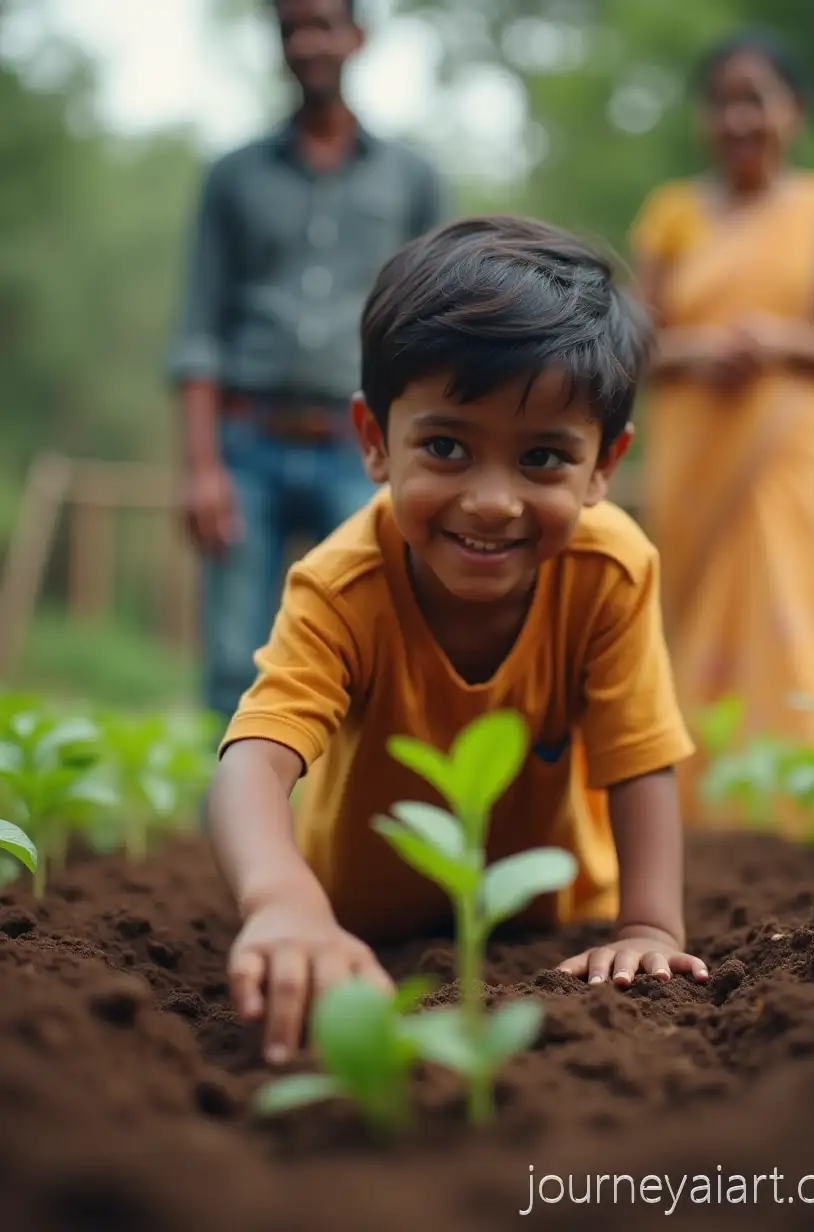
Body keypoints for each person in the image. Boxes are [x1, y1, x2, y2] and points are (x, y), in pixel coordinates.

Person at [203, 214, 710, 1066]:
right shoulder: (341, 584)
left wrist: (649, 925)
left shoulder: (610, 569)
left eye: (545, 457)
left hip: (546, 922)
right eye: (445, 446)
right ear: (374, 442)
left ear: (604, 466)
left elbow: (639, 758)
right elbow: (253, 756)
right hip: (355, 921)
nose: (492, 501)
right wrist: (283, 902)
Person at [629, 29, 814, 828]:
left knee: (797, 623)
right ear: (705, 119)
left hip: (793, 456)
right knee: (696, 623)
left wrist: (781, 341)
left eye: (757, 100)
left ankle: (804, 824)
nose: (740, 119)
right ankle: (699, 828)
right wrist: (698, 350)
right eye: (723, 103)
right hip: (696, 451)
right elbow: (630, 345)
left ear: (793, 112)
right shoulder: (673, 216)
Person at [168, 0, 448, 725]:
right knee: (234, 656)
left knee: (363, 640)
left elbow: (432, 327)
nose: (308, 42)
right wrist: (201, 467)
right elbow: (199, 327)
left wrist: (423, 457)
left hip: (358, 449)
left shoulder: (412, 179)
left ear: (358, 37)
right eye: (292, 28)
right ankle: (224, 834)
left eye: (324, 24)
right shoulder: (232, 177)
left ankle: (338, 829)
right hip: (245, 443)